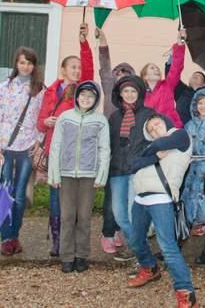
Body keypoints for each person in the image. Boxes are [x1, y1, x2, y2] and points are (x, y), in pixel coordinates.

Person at [127, 115, 197, 307]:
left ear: (166, 122)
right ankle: (149, 268)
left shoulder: (180, 136)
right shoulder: (153, 147)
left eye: (157, 124)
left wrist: (148, 154)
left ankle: (186, 293)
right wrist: (155, 155)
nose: (155, 129)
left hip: (161, 198)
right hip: (140, 198)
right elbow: (132, 165)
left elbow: (163, 143)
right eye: (150, 129)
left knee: (168, 247)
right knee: (135, 240)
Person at [36, 23, 93, 257]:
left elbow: (89, 68)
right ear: (63, 70)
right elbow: (40, 123)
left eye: (79, 67)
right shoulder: (51, 91)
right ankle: (57, 239)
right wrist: (46, 122)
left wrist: (83, 42)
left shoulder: (81, 91)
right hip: (54, 150)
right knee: (55, 196)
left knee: (74, 198)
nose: (77, 71)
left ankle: (73, 240)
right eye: (73, 67)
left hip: (74, 152)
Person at [0, 47, 45, 256]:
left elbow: (42, 118)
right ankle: (6, 239)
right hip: (5, 148)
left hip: (26, 148)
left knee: (20, 196)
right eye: (22, 62)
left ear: (34, 66)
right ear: (16, 64)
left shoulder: (39, 90)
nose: (25, 66)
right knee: (4, 194)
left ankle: (14, 235)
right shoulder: (5, 87)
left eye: (29, 63)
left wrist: (39, 141)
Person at [47, 81, 110, 273]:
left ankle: (81, 255)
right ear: (77, 96)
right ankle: (67, 256)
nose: (86, 99)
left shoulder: (100, 121)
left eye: (90, 96)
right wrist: (54, 173)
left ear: (96, 100)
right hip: (66, 174)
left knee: (84, 217)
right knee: (67, 216)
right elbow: (56, 145)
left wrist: (101, 175)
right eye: (83, 95)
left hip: (88, 175)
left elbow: (104, 149)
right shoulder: (65, 118)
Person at [107, 74, 168, 263]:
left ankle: (138, 251)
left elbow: (159, 137)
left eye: (133, 91)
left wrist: (153, 156)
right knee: (119, 214)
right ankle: (137, 246)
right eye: (126, 91)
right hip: (117, 170)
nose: (129, 94)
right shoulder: (114, 117)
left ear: (139, 93)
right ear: (120, 94)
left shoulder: (148, 114)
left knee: (133, 213)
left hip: (138, 169)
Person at [95, 28, 131, 254]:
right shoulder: (110, 89)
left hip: (129, 151)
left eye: (126, 73)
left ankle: (117, 228)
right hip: (110, 148)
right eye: (118, 72)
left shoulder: (133, 100)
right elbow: (105, 64)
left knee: (124, 194)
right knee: (111, 194)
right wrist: (103, 41)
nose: (120, 75)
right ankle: (107, 232)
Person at [180, 87, 205, 264]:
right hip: (192, 172)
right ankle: (177, 244)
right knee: (186, 208)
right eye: (200, 103)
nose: (203, 106)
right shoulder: (190, 125)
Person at [141, 30, 187, 128]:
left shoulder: (167, 84)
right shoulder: (141, 95)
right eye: (152, 68)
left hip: (172, 128)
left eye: (157, 68)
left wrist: (180, 44)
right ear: (145, 76)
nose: (156, 69)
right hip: (153, 131)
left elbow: (177, 67)